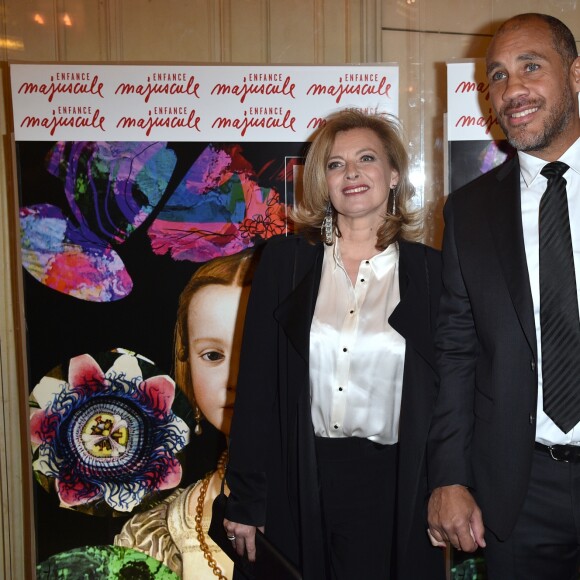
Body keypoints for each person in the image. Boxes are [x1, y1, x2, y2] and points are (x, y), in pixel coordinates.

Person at [222, 108, 446, 580]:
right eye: (335, 163)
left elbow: (452, 397)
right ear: (323, 181)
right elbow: (258, 388)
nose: (352, 173)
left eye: (366, 158)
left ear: (394, 174)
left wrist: (451, 486)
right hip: (298, 477)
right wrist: (246, 497)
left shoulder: (431, 273)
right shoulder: (285, 263)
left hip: (395, 484)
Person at [427, 13, 580, 580]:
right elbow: (456, 352)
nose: (511, 89)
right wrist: (449, 476)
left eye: (530, 67)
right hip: (519, 488)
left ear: (577, 74)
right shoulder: (469, 212)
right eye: (497, 76)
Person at [115, 249, 257, 580]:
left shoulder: (361, 508)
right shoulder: (151, 539)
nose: (235, 377)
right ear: (187, 365)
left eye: (255, 349)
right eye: (212, 355)